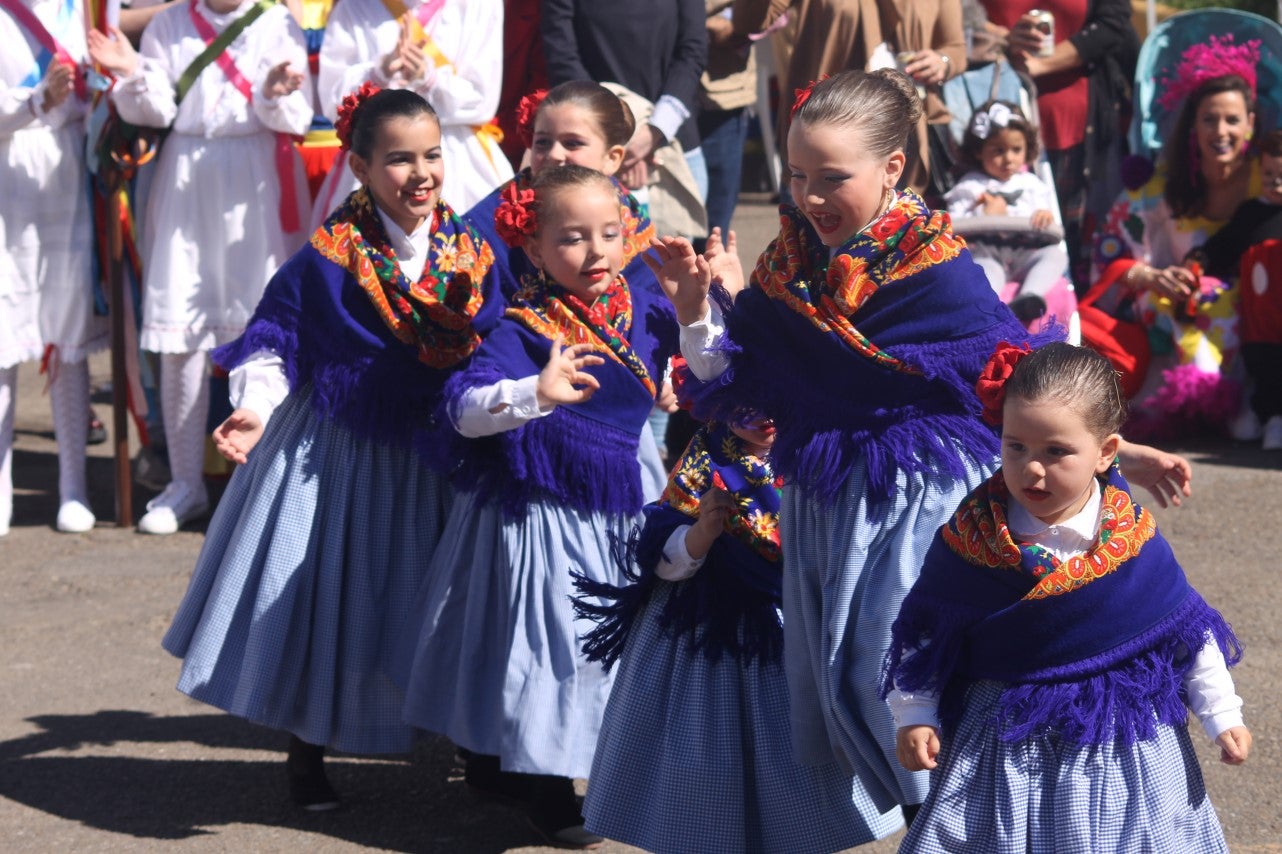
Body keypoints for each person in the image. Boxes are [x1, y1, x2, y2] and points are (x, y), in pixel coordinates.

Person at [648, 68, 1198, 837]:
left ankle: (952, 824)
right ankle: (929, 821)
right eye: (798, 176)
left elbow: (1012, 370)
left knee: (906, 674)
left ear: (893, 169)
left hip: (918, 502)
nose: (810, 197)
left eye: (833, 178)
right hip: (827, 502)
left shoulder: (934, 269)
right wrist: (696, 312)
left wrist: (1120, 451)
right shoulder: (787, 266)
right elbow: (742, 388)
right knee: (845, 687)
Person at [160, 87, 501, 810]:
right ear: (359, 166)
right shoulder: (326, 259)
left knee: (455, 598)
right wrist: (252, 410)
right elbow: (276, 338)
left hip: (443, 446)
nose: (422, 174)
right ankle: (305, 753)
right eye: (400, 159)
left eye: (433, 155)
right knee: (325, 594)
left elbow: (499, 341)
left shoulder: (471, 250)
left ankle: (480, 748)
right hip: (343, 448)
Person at [395, 164, 678, 849]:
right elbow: (462, 411)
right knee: (553, 647)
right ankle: (549, 790)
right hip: (540, 511)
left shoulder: (647, 307)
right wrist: (535, 392)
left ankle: (521, 764)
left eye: (611, 233)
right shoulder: (523, 327)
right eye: (574, 239)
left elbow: (704, 371)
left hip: (622, 496)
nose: (598, 252)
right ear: (535, 250)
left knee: (606, 645)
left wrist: (697, 318)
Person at [883, 341, 1250, 852]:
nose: (1033, 470)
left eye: (1056, 452)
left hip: (1124, 740)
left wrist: (1221, 714)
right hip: (1002, 743)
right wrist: (915, 713)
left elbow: (1183, 632)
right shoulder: (971, 537)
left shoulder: (1132, 540)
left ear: (1105, 453)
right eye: (1016, 447)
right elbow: (925, 633)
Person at [575, 413, 880, 853]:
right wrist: (700, 534)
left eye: (775, 397)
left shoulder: (821, 452)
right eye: (745, 402)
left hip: (796, 637)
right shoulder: (706, 459)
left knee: (795, 776)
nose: (766, 417)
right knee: (704, 773)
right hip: (705, 642)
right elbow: (660, 556)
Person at [87, 0, 313, 535]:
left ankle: (265, 480)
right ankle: (185, 482)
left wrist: (275, 93)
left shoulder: (277, 22)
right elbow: (157, 112)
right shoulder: (168, 23)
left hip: (254, 182)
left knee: (264, 335)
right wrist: (133, 71)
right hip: (186, 179)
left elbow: (299, 115)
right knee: (180, 338)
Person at [465, 80, 675, 497]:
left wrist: (667, 367)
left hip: (615, 431)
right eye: (543, 142)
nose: (555, 155)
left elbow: (651, 326)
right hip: (519, 422)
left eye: (573, 142)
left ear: (613, 158)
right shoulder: (486, 227)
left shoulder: (631, 227)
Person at [1091, 35, 1257, 436]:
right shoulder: (1158, 190)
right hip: (1175, 315)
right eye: (1209, 118)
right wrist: (1151, 276)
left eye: (1232, 119)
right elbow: (1107, 253)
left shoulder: (1269, 183)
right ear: (1192, 126)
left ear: (1251, 124)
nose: (1221, 130)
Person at [1, 0, 106, 536]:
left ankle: (73, 488)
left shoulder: (82, 7)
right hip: (8, 177)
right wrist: (38, 99)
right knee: (3, 335)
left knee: (67, 336)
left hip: (68, 174)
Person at [982, 0, 1139, 285]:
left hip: (1075, 133)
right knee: (997, 244)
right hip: (992, 128)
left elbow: (1114, 23)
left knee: (1069, 247)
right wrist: (1001, 38)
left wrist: (1041, 65)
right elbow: (957, 18)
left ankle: (1063, 316)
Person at [311, 0, 512, 222]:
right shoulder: (354, 7)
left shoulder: (478, 4)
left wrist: (431, 79)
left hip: (458, 160)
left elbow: (482, 99)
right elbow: (333, 102)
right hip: (379, 156)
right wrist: (378, 74)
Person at [1194, 129, 1282, 450]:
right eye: (1269, 174)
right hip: (1260, 320)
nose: (1276, 183)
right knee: (1264, 363)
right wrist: (1200, 259)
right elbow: (1224, 245)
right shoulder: (1251, 213)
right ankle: (1269, 416)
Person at [945, 100, 1068, 320]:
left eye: (1016, 150)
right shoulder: (969, 186)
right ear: (978, 152)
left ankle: (1030, 296)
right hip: (985, 250)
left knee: (1055, 255)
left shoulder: (1031, 184)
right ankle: (990, 308)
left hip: (1024, 250)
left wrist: (1044, 217)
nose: (1009, 159)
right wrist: (985, 216)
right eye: (999, 151)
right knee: (986, 270)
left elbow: (1047, 217)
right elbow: (952, 227)